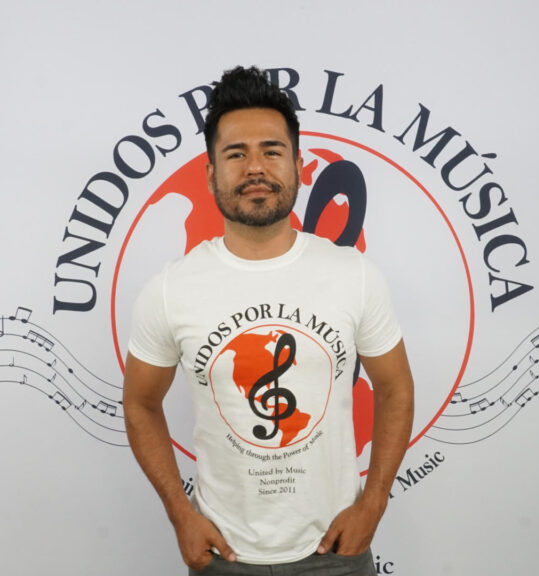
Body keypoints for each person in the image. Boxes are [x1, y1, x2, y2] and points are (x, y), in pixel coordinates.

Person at [123, 65, 415, 575]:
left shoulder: (354, 274)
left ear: (298, 165)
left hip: (337, 554)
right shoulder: (171, 289)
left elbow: (396, 388)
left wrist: (374, 503)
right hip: (224, 557)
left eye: (272, 151)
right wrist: (180, 514)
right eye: (236, 154)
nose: (255, 167)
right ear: (210, 173)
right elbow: (140, 403)